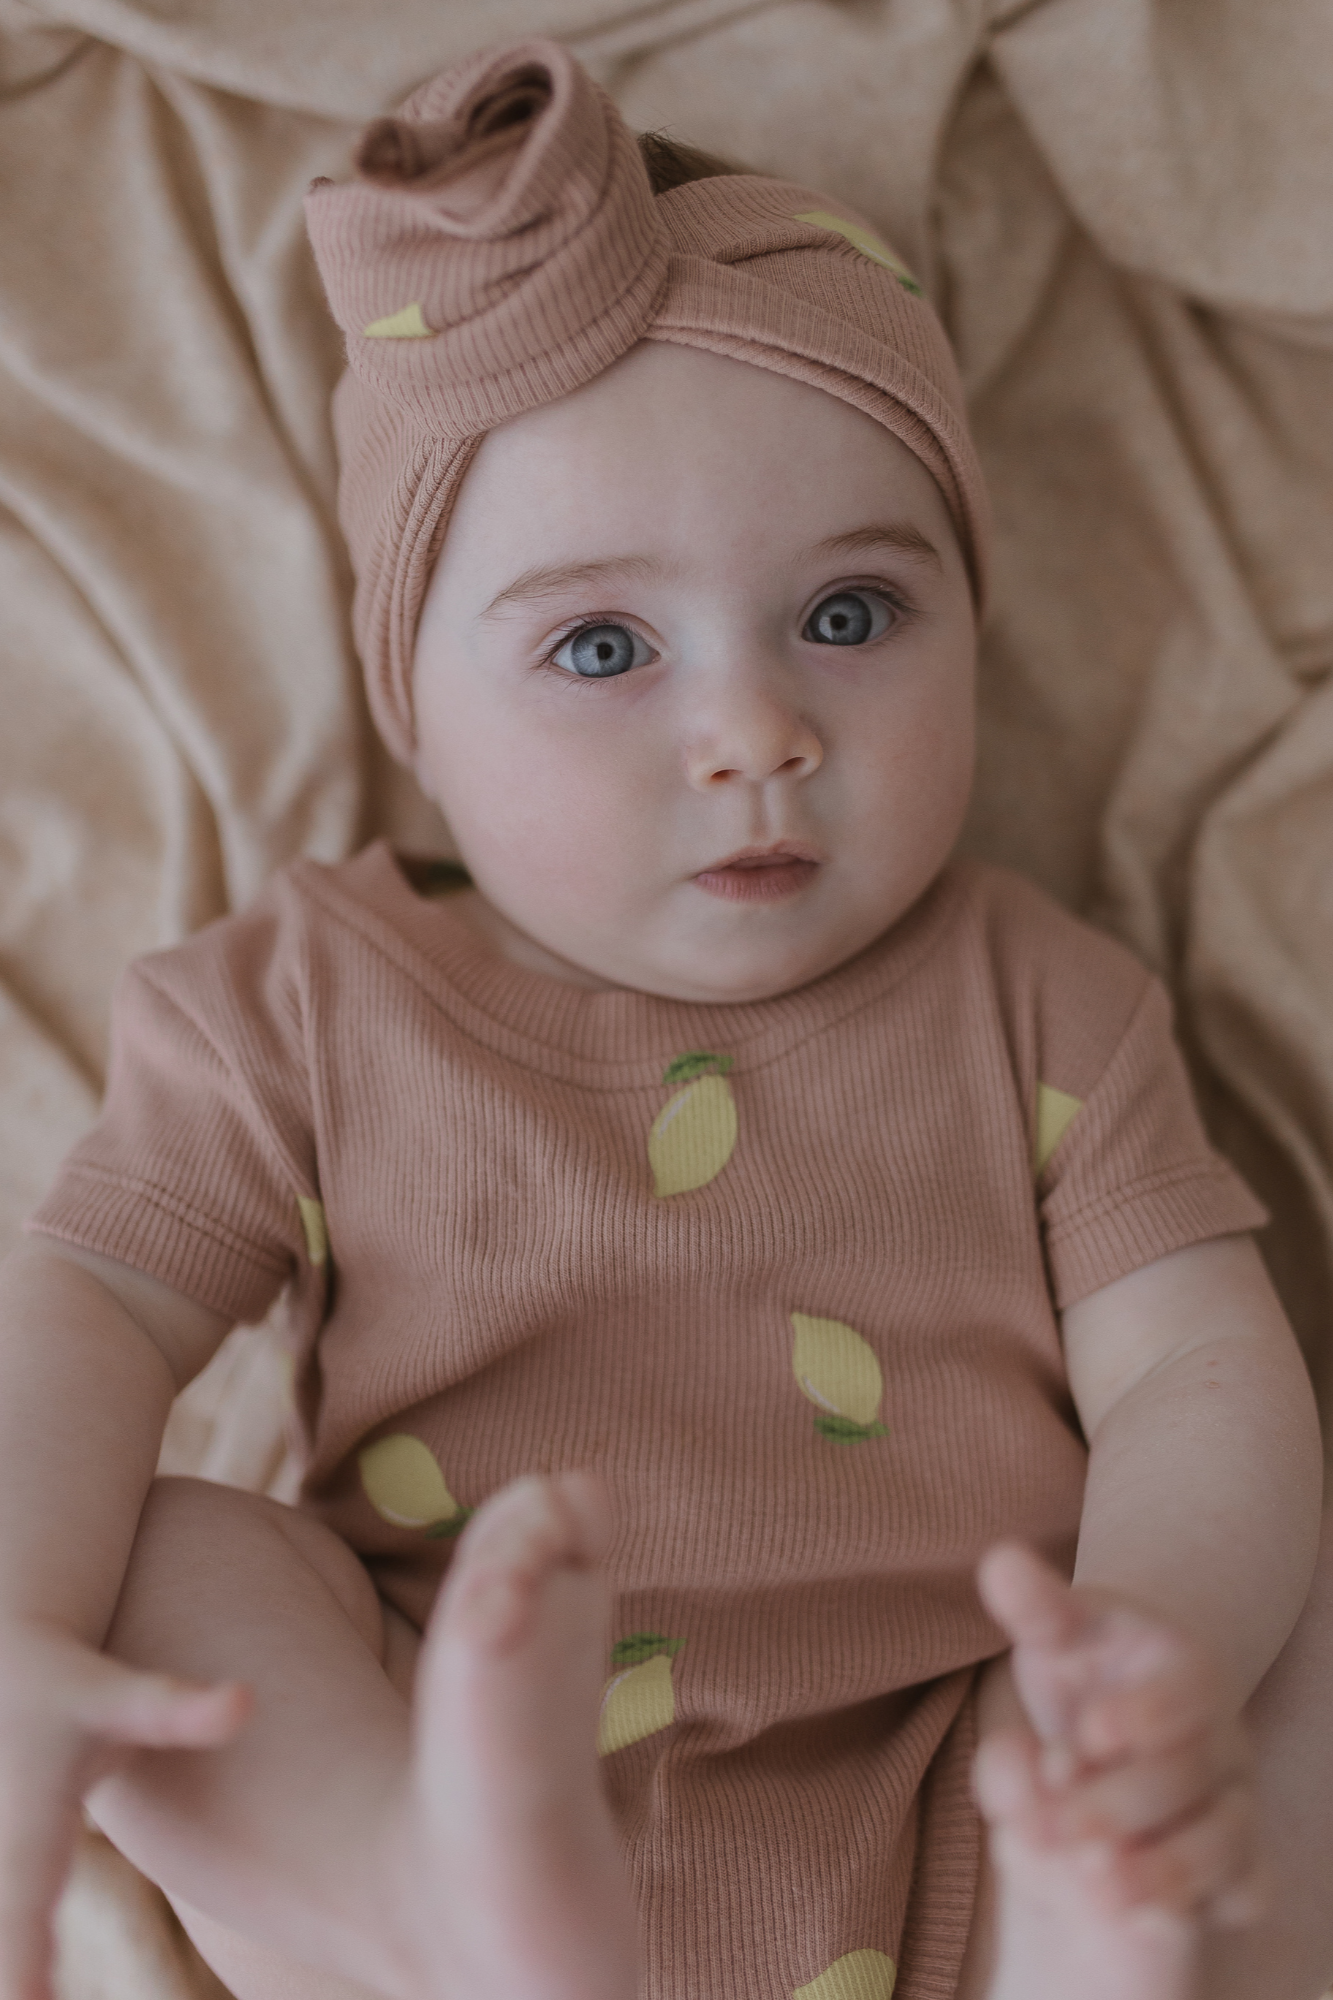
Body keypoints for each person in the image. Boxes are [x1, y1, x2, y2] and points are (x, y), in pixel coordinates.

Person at [0, 36, 1329, 2000]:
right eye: (605, 647)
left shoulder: (1033, 995)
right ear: (415, 716)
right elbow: (92, 1304)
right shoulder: (305, 998)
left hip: (980, 1787)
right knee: (171, 1555)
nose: (758, 733)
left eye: (854, 616)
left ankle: (1103, 1938)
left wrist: (1144, 1667)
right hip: (460, 1758)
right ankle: (425, 1907)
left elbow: (1195, 1376)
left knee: (1304, 1610)